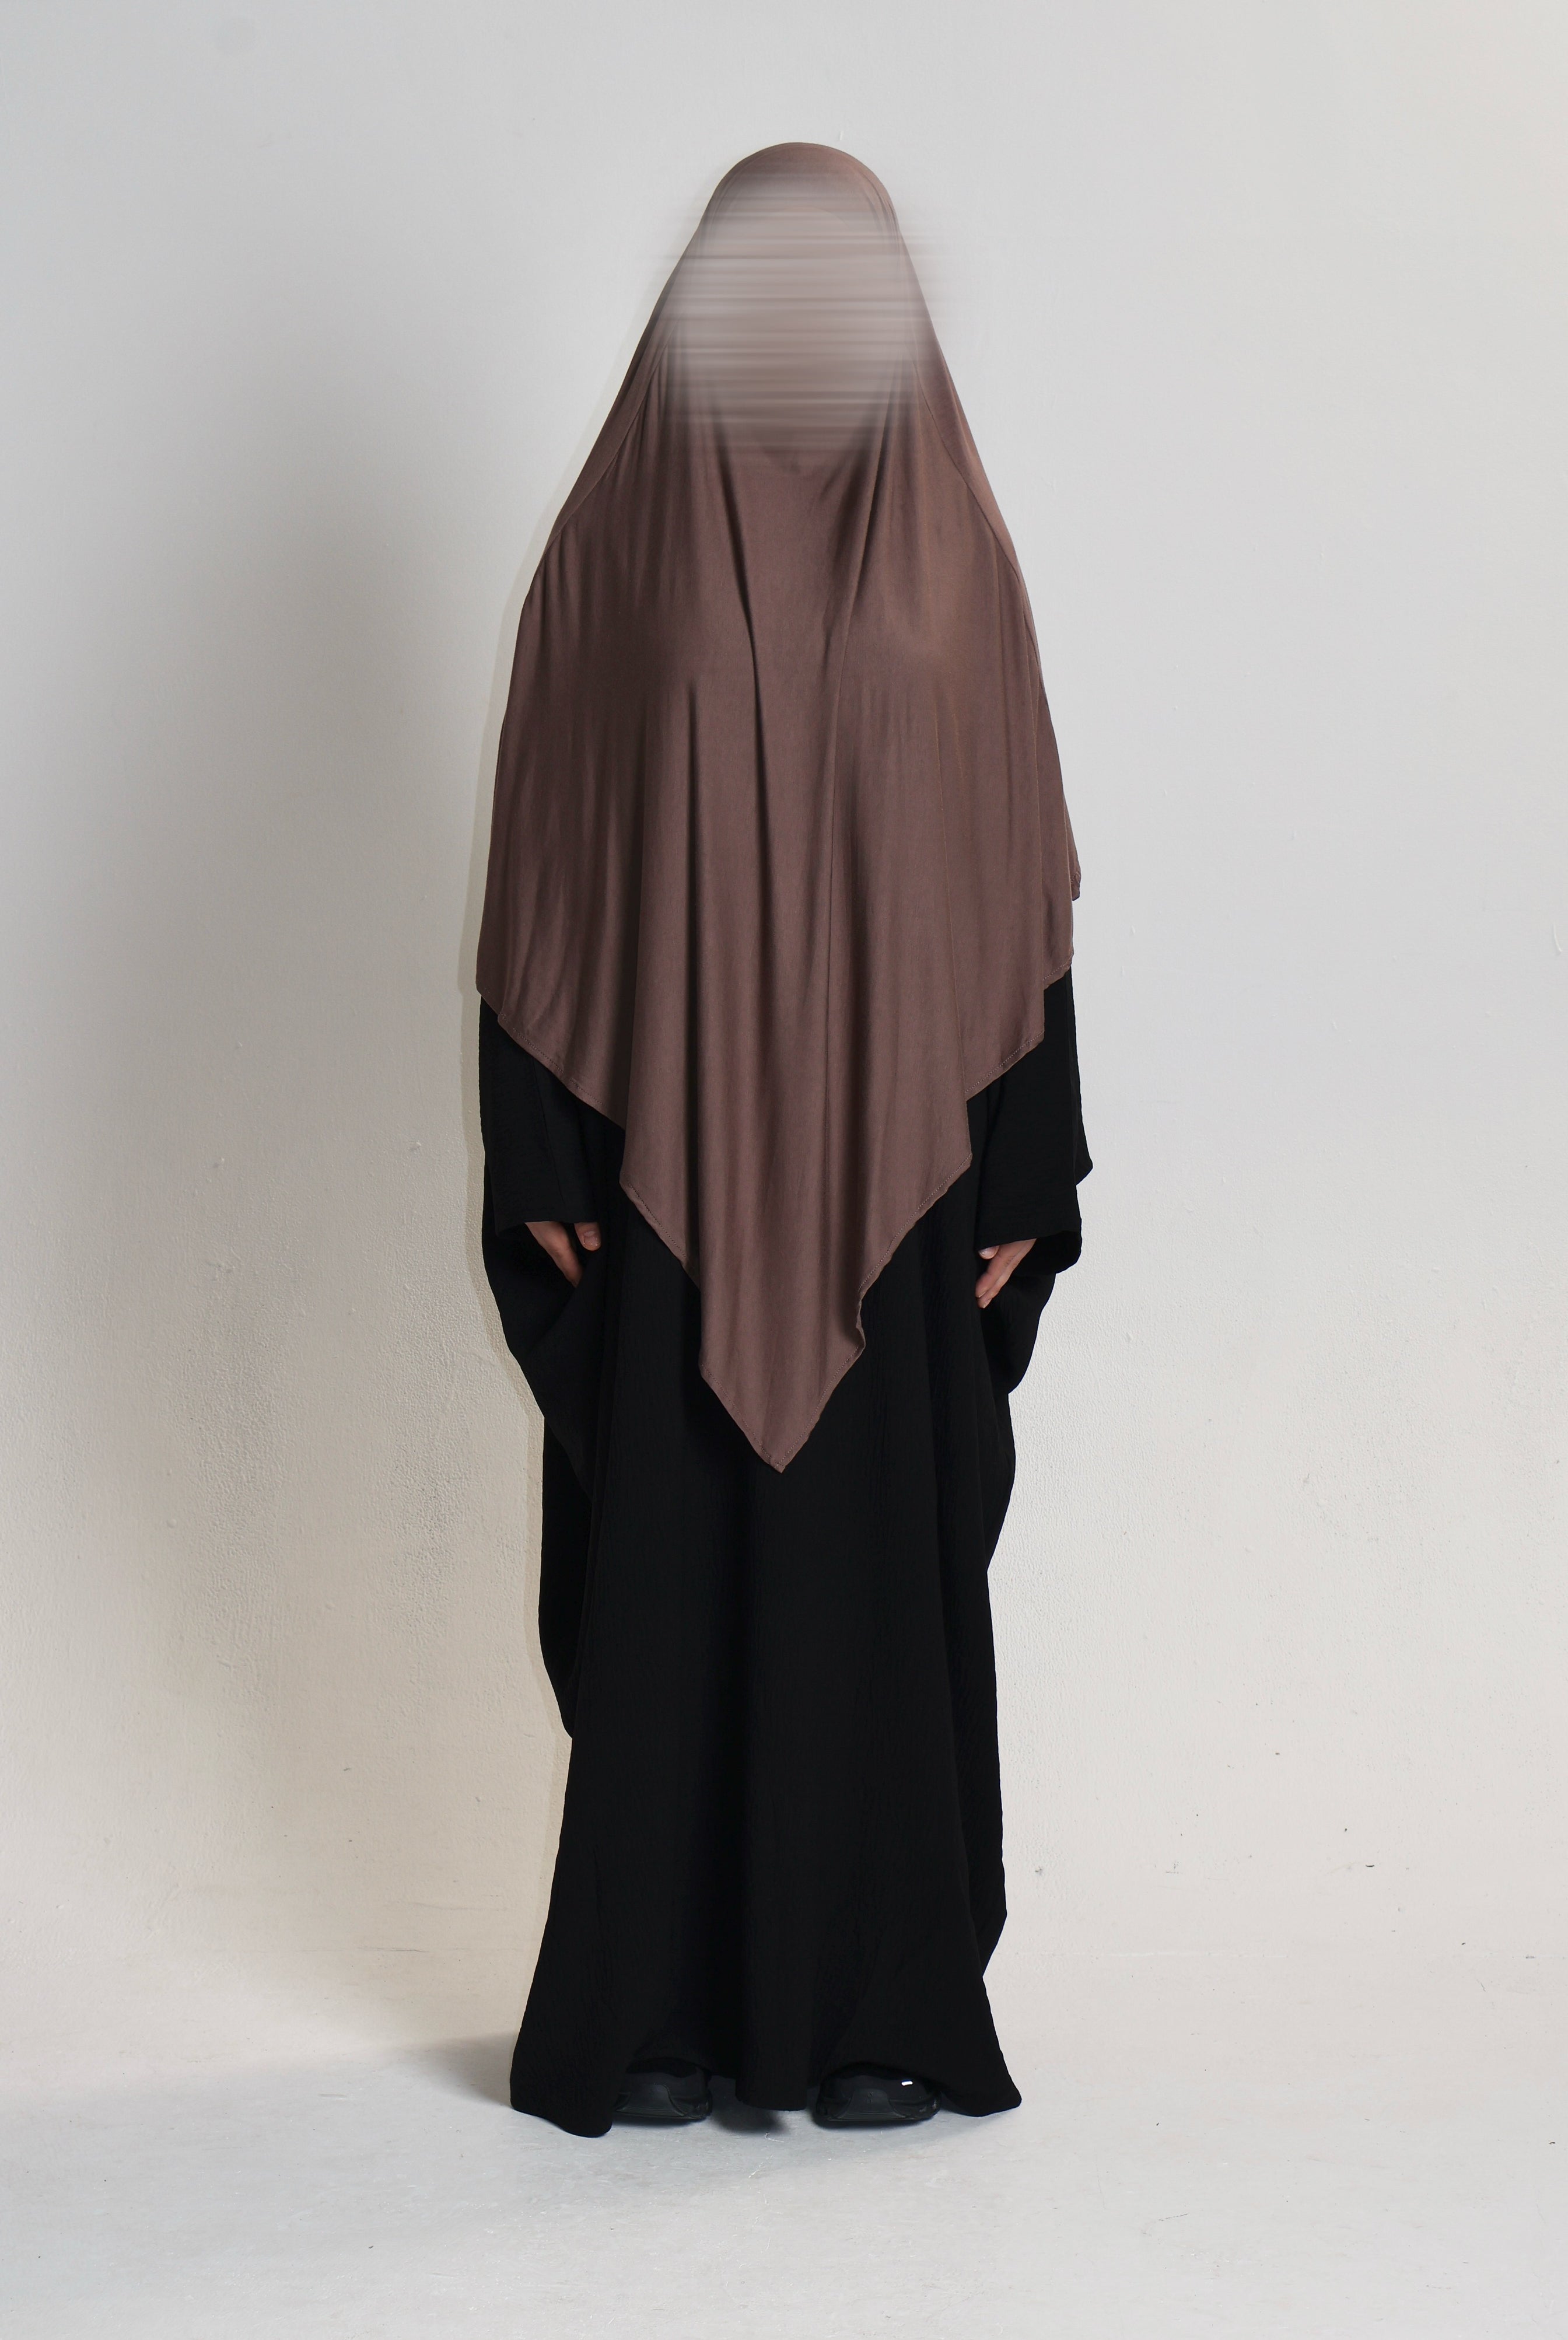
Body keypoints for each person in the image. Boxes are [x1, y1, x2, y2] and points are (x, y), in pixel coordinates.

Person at [474, 142, 1090, 2139]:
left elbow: (1016, 868)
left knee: (876, 1582)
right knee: (671, 1580)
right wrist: (541, 1149)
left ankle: (882, 2001)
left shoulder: (957, 563)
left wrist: (1026, 1165)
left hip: (903, 1172)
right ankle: (651, 1997)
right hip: (663, 1166)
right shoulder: (620, 545)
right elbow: (547, 857)